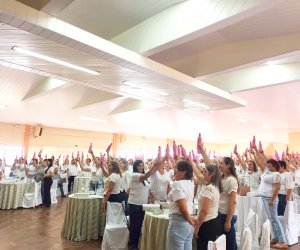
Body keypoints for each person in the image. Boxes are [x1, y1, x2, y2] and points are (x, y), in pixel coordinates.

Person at [128, 159, 160, 248]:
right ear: (135, 166)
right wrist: (154, 165)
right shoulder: (134, 175)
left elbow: (152, 172)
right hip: (134, 204)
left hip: (143, 205)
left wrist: (158, 164)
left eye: (142, 165)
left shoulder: (145, 178)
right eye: (139, 166)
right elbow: (146, 175)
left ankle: (137, 243)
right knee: (135, 226)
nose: (141, 167)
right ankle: (133, 244)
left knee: (140, 226)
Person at [167, 160, 197, 250]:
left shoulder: (178, 184)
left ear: (183, 172)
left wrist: (189, 220)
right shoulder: (190, 183)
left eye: (176, 170)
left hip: (179, 222)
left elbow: (182, 208)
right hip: (187, 222)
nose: (174, 172)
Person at [194, 164, 222, 250]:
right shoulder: (215, 187)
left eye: (205, 172)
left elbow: (204, 211)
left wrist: (197, 226)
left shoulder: (208, 189)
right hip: (213, 221)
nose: (203, 174)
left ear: (211, 174)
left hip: (207, 223)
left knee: (203, 246)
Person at [218, 157, 238, 250]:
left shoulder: (231, 180)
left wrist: (228, 221)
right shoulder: (222, 178)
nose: (219, 165)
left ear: (228, 165)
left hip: (227, 215)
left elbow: (233, 202)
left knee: (229, 243)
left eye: (221, 163)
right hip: (220, 213)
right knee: (223, 242)